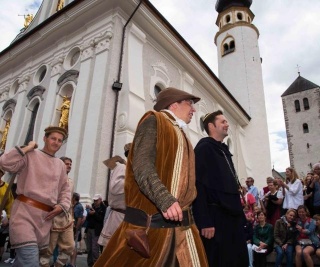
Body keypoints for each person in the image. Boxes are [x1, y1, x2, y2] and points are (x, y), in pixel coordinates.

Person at [94, 87, 208, 266]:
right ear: (174, 104)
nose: (193, 109)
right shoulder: (155, 120)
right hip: (157, 228)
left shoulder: (180, 132)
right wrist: (165, 199)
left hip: (184, 229)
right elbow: (142, 165)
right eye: (189, 103)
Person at [0, 126, 71, 267]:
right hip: (24, 214)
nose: (56, 142)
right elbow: (4, 163)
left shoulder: (60, 165)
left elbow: (65, 189)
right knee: (30, 261)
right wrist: (27, 148)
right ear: (45, 138)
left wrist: (62, 205)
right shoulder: (31, 155)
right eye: (53, 138)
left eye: (59, 140)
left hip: (44, 219)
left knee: (23, 261)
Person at [192, 110, 248, 267]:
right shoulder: (204, 149)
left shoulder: (223, 150)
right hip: (215, 220)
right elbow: (199, 186)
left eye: (226, 121)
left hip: (232, 218)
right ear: (211, 126)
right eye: (223, 121)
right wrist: (204, 221)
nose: (227, 124)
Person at [40, 156, 75, 267]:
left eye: (70, 164)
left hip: (66, 218)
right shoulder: (52, 179)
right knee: (48, 250)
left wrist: (72, 216)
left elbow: (70, 202)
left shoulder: (71, 182)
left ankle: (58, 265)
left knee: (70, 246)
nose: (69, 165)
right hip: (53, 217)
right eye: (66, 163)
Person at [98, 143, 131, 248]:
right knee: (114, 252)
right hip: (118, 218)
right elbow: (115, 187)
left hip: (129, 218)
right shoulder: (122, 167)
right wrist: (134, 180)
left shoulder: (131, 170)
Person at [86, 194, 106, 267]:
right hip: (89, 229)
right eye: (94, 200)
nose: (95, 202)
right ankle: (90, 264)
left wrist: (94, 214)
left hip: (96, 230)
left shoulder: (104, 208)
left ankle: (96, 264)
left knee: (95, 249)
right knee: (89, 249)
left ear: (100, 200)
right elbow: (87, 219)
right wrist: (89, 213)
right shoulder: (92, 207)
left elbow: (101, 219)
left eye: (96, 200)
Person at [69, 192, 83, 267]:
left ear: (74, 198)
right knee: (73, 246)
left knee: (74, 246)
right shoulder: (76, 206)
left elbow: (79, 219)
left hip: (75, 229)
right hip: (74, 229)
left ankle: (72, 264)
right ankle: (72, 263)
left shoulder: (78, 207)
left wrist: (75, 230)